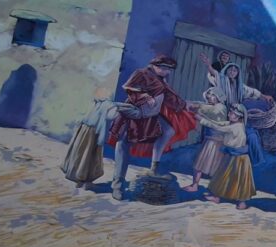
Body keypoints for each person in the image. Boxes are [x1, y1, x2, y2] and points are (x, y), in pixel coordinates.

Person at [106, 55, 197, 200]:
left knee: (168, 130)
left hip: (150, 116)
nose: (167, 72)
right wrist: (145, 96)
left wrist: (185, 105)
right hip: (133, 112)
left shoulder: (161, 80)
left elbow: (169, 96)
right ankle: (117, 185)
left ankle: (154, 166)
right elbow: (129, 88)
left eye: (169, 69)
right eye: (164, 68)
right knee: (123, 145)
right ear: (155, 65)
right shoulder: (141, 73)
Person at [197, 104, 256, 209]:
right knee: (222, 175)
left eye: (232, 113)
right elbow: (218, 123)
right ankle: (217, 196)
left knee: (239, 179)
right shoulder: (235, 124)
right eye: (230, 112)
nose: (229, 114)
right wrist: (203, 116)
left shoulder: (235, 127)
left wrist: (201, 119)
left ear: (238, 116)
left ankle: (241, 202)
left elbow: (218, 127)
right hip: (231, 154)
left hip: (239, 158)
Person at [61, 88, 119, 190]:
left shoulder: (107, 105)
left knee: (87, 155)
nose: (97, 94)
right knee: (79, 153)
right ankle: (77, 177)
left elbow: (112, 115)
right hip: (84, 129)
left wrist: (116, 108)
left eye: (100, 93)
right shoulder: (95, 103)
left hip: (93, 132)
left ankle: (83, 178)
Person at [183, 87, 228, 192]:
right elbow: (204, 107)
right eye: (208, 96)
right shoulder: (212, 106)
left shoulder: (221, 107)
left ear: (218, 96)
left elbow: (209, 110)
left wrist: (196, 108)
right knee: (201, 163)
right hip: (210, 139)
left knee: (209, 164)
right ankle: (195, 185)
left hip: (216, 141)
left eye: (212, 95)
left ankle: (213, 189)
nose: (209, 98)